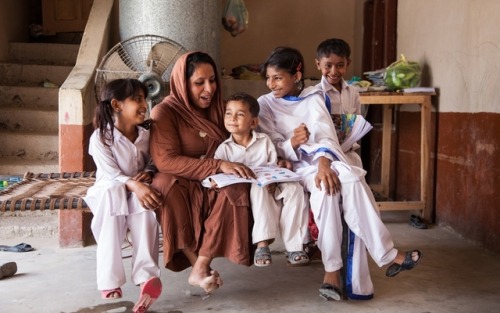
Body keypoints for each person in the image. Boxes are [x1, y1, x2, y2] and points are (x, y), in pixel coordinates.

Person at [257, 47, 423, 301]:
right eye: (268, 78)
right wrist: (292, 143)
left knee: (352, 178)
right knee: (327, 192)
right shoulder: (265, 104)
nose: (272, 84)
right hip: (296, 168)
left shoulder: (314, 97)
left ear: (297, 73)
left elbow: (324, 132)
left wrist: (324, 162)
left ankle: (371, 260)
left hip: (325, 160)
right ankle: (355, 264)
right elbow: (269, 144)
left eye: (278, 77)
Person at [149, 51, 255, 294]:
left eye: (213, 80)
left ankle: (201, 265)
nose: (209, 88)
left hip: (213, 178)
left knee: (235, 187)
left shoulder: (222, 109)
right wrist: (215, 166)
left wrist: (279, 154)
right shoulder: (164, 113)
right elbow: (166, 160)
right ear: (182, 84)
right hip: (181, 178)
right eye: (199, 83)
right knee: (166, 187)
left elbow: (246, 139)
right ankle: (195, 262)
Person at [83, 78, 163, 313]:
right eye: (137, 99)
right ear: (117, 105)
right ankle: (109, 280)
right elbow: (110, 174)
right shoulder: (100, 138)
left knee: (145, 205)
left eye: (145, 100)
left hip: (138, 190)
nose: (143, 105)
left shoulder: (146, 135)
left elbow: (154, 160)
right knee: (112, 194)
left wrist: (147, 174)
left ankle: (147, 278)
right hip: (110, 191)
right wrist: (133, 185)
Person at [213, 92, 309, 267]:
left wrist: (275, 178)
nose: (232, 118)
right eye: (228, 113)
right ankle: (262, 244)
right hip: (251, 192)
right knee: (257, 187)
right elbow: (219, 172)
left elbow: (272, 166)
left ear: (254, 122)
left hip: (271, 185)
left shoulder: (264, 141)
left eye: (240, 114)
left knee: (295, 188)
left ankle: (295, 246)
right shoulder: (224, 149)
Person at [314, 38, 373, 299]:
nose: (334, 72)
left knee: (357, 204)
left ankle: (357, 283)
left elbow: (356, 127)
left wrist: (349, 139)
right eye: (328, 66)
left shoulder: (353, 93)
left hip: (348, 156)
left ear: (348, 64)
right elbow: (316, 136)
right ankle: (334, 273)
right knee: (332, 196)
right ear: (318, 65)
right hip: (325, 160)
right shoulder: (314, 95)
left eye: (340, 65)